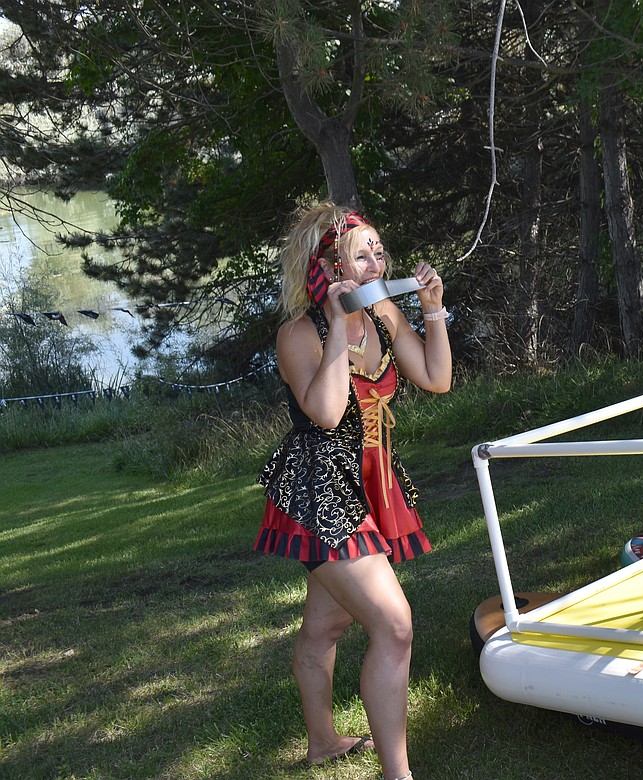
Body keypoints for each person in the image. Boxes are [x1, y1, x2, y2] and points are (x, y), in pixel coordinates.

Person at [254, 202, 451, 780]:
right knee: (394, 625)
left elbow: (436, 379)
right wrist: (339, 326)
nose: (376, 262)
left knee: (326, 626)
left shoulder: (385, 313)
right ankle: (399, 775)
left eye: (379, 251)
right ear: (328, 265)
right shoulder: (299, 334)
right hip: (320, 495)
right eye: (360, 253)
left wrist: (432, 311)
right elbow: (325, 410)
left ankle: (321, 744)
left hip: (371, 486)